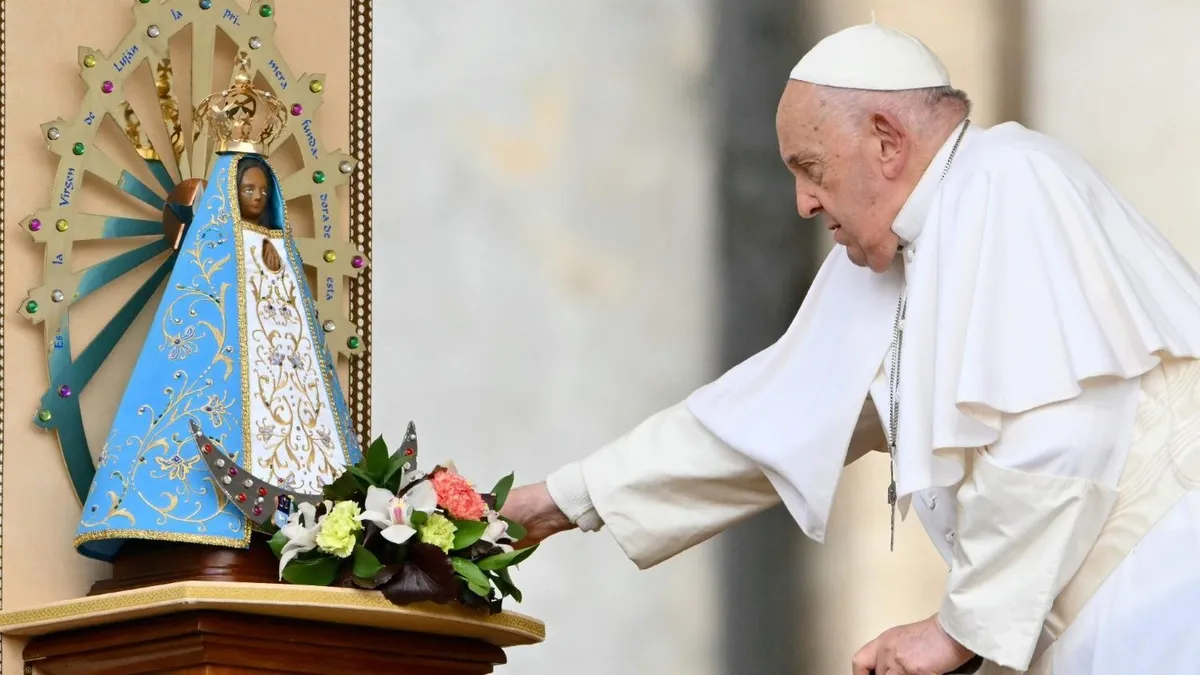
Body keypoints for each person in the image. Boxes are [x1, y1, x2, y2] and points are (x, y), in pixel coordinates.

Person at [501, 20, 1200, 675]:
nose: (804, 203)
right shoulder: (901, 240)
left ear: (887, 141)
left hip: (1164, 582)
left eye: (811, 168)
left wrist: (957, 630)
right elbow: (769, 420)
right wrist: (557, 500)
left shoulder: (1008, 179)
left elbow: (1059, 434)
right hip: (1096, 617)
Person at [75, 83, 361, 561]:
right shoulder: (209, 253)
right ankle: (207, 522)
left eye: (263, 191)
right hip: (227, 374)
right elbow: (197, 326)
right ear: (228, 192)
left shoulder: (278, 249)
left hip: (280, 373)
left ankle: (302, 520)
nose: (256, 198)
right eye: (247, 189)